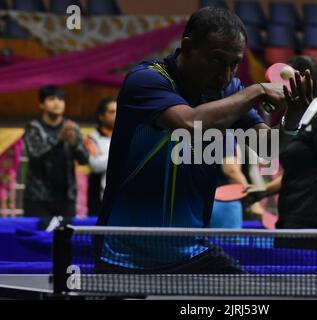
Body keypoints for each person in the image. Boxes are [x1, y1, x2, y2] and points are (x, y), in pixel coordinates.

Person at [96, 7, 287, 273]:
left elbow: (267, 147)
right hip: (124, 253)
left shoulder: (229, 91)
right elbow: (189, 124)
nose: (226, 76)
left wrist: (294, 117)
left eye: (234, 64)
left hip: (190, 251)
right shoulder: (146, 81)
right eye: (218, 61)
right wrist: (257, 90)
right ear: (188, 46)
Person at [247, 55, 317, 235]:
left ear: (303, 82)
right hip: (289, 216)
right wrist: (263, 191)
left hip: (315, 222)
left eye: (284, 79)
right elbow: (297, 172)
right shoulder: (294, 121)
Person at [23, 85, 89, 228]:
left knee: (65, 241)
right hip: (38, 199)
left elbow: (84, 159)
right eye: (51, 99)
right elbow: (35, 154)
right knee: (38, 239)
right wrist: (59, 138)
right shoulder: (33, 127)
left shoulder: (72, 127)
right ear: (42, 104)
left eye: (61, 99)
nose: (57, 102)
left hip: (66, 198)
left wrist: (74, 144)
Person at [85, 97, 117, 216]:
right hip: (99, 199)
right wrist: (120, 153)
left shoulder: (127, 137)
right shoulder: (92, 138)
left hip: (121, 198)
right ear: (101, 116)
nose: (116, 115)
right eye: (112, 112)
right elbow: (95, 165)